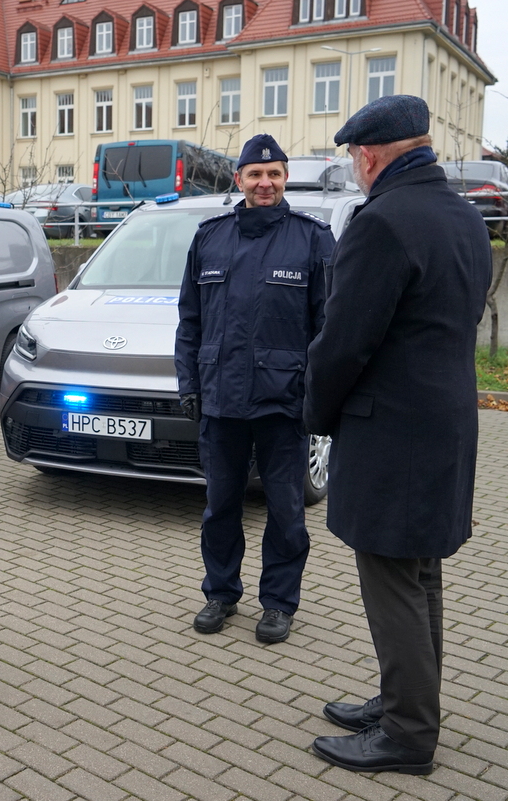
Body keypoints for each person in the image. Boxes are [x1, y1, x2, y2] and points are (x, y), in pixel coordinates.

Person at [304, 95, 492, 775]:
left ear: (369, 156)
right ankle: (403, 703)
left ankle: (408, 735)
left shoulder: (381, 222)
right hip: (444, 422)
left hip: (391, 432)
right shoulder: (465, 215)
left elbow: (344, 342)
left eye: (355, 158)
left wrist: (315, 415)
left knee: (392, 582)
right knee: (420, 574)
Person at [175, 134, 333, 644]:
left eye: (274, 174)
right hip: (220, 399)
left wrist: (317, 398)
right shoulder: (210, 238)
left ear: (285, 179)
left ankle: (279, 603)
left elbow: (327, 329)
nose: (265, 183)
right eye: (256, 175)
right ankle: (220, 593)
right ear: (239, 179)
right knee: (220, 506)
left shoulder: (312, 239)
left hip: (283, 403)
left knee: (285, 511)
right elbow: (190, 321)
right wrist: (188, 383)